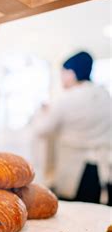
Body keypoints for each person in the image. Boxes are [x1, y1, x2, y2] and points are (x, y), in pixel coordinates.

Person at [33, 51, 112, 205]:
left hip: (76, 170)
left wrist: (42, 112)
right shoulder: (104, 95)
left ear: (72, 72)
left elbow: (42, 130)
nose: (61, 77)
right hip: (104, 166)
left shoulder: (65, 99)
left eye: (63, 72)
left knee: (77, 216)